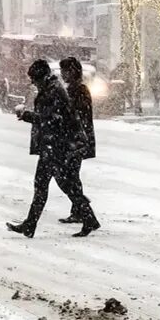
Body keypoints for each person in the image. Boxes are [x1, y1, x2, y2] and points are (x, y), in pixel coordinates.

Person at [7, 59, 100, 238]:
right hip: (54, 144)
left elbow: (53, 119)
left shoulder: (54, 91)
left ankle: (86, 219)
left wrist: (27, 115)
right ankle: (86, 219)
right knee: (55, 184)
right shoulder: (51, 88)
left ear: (41, 76)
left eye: (34, 78)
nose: (32, 82)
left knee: (57, 184)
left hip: (56, 145)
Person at [58, 57, 96, 224]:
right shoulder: (73, 89)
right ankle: (79, 207)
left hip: (76, 140)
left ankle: (81, 207)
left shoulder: (79, 90)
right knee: (71, 175)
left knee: (69, 175)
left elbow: (78, 116)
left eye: (64, 71)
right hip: (74, 139)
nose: (62, 75)